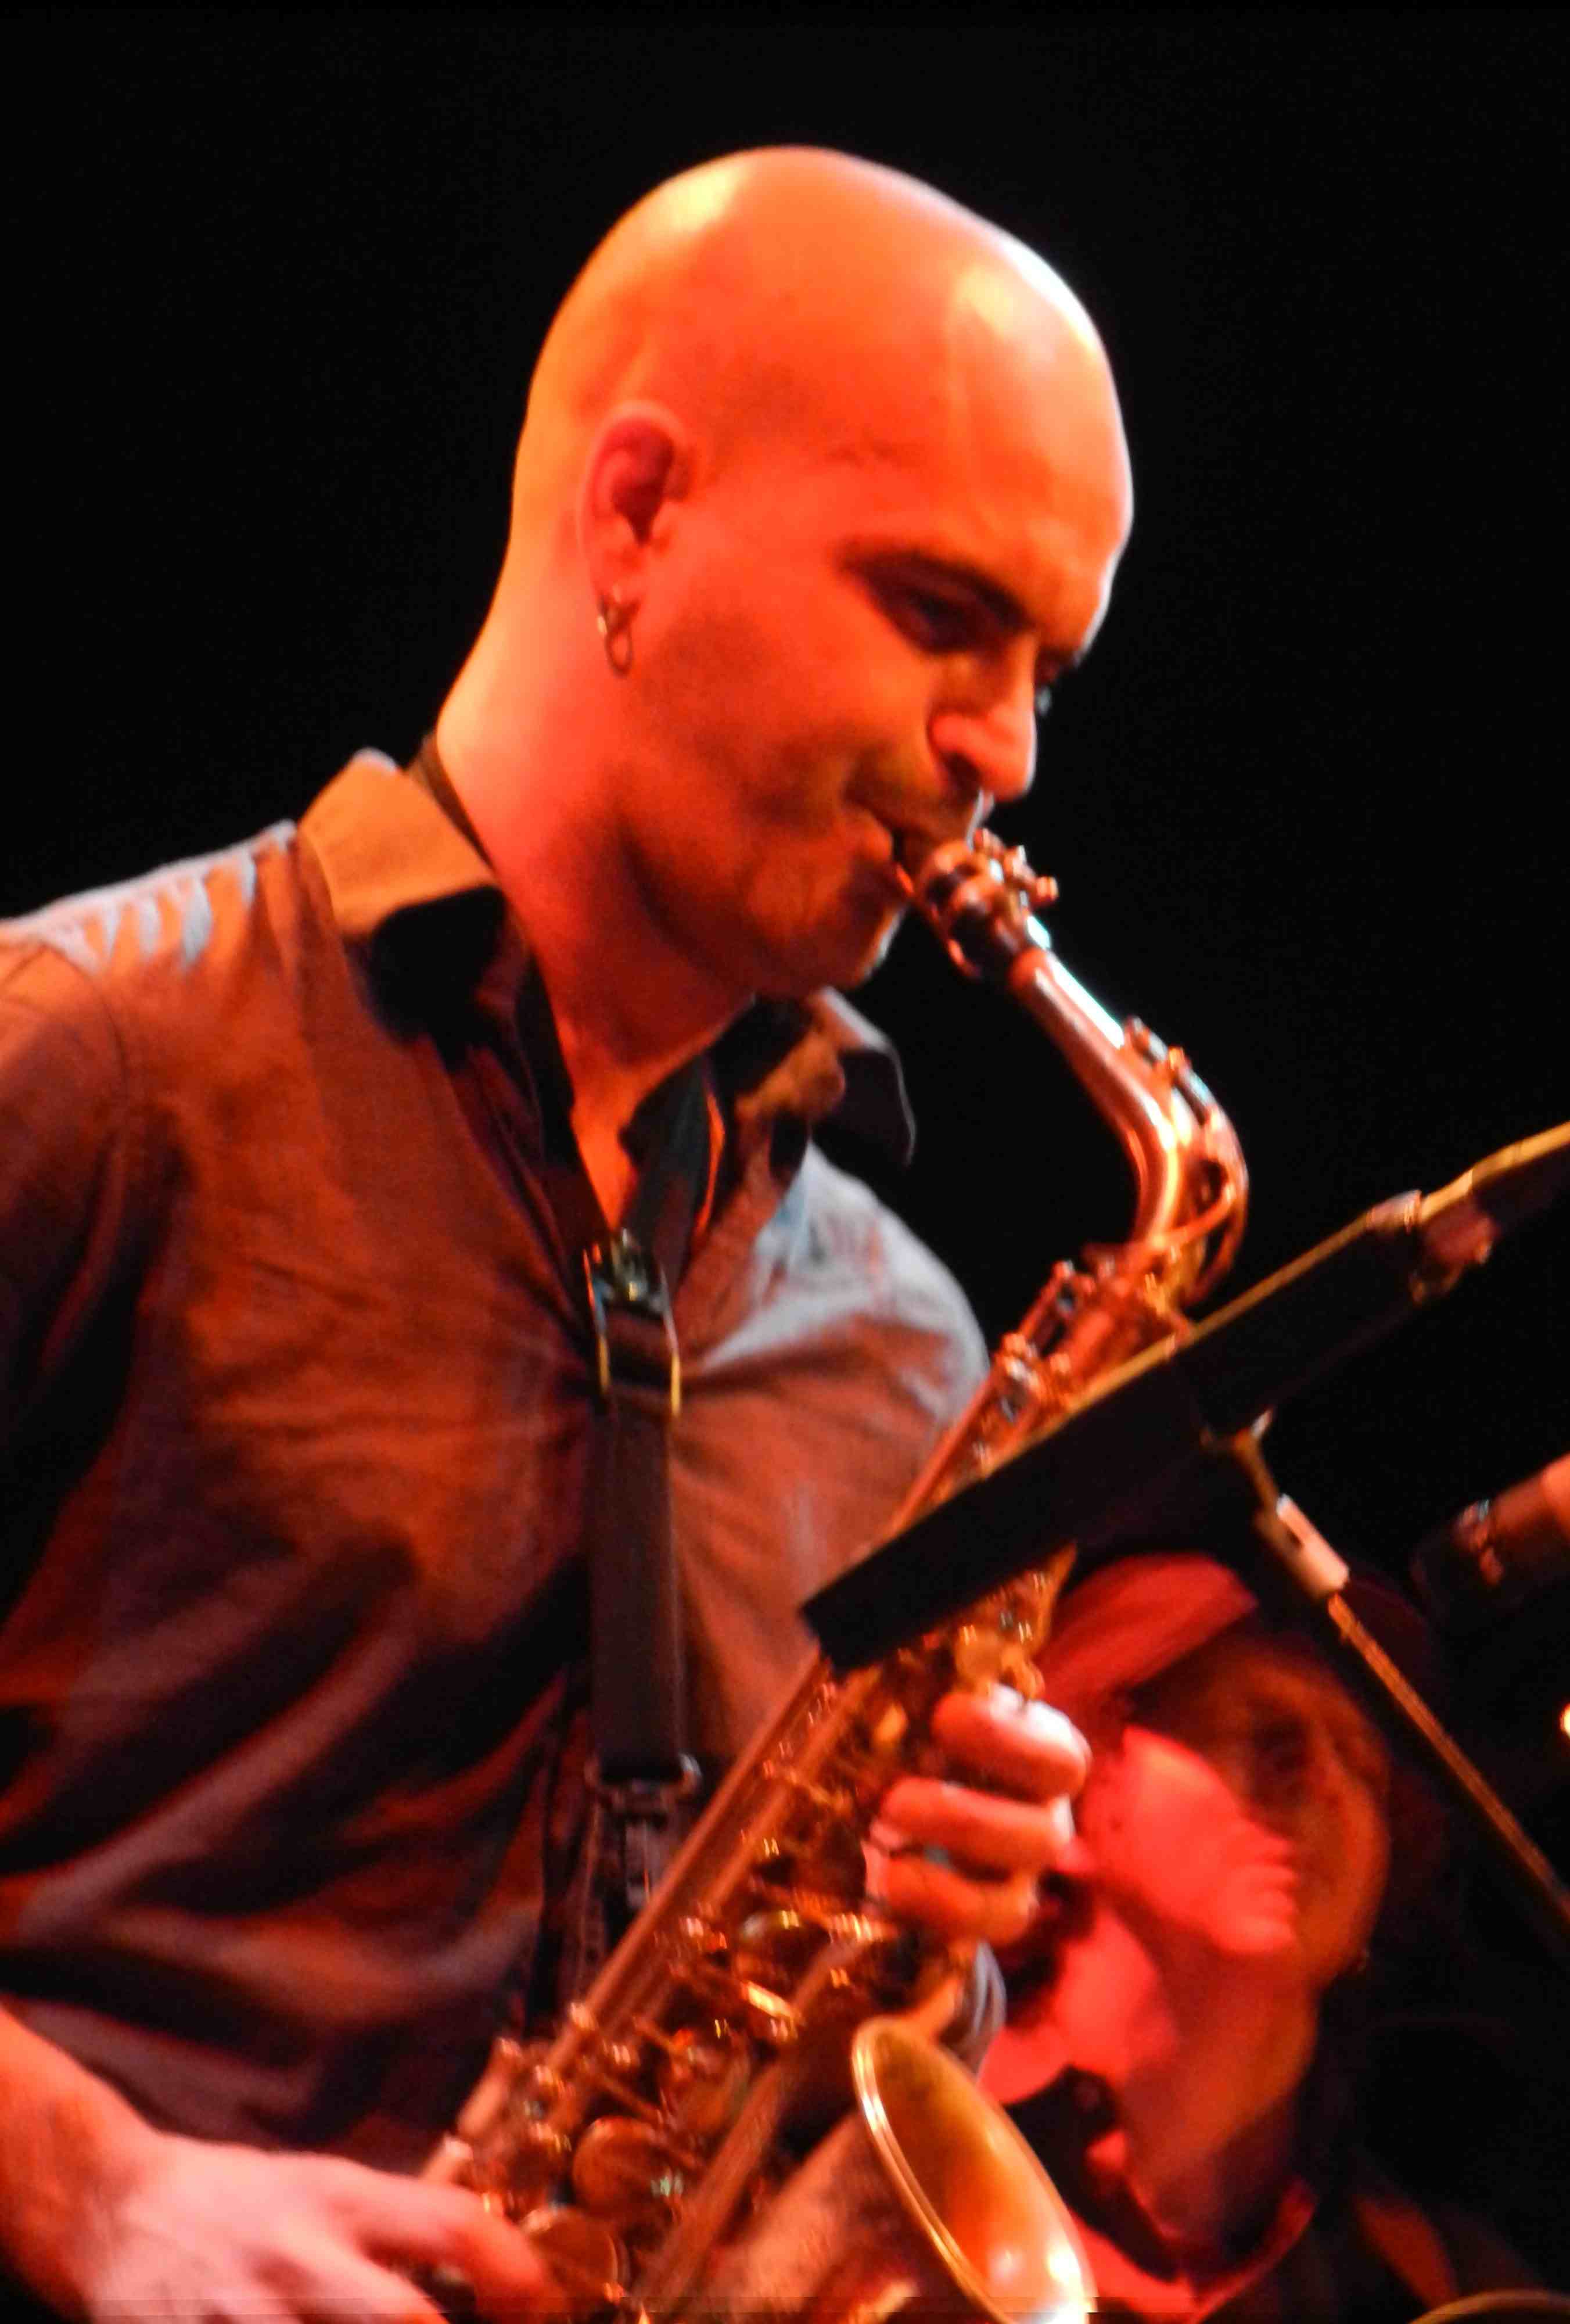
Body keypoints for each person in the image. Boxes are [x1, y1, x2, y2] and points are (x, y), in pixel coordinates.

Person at [0, 148, 1129, 2322]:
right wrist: (92, 2192)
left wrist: (922, 1954)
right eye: (938, 613)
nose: (1000, 743)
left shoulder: (911, 1349)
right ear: (637, 514)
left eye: (1045, 673)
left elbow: (800, 2120)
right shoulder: (96, 1061)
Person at [983, 1550, 1540, 2323]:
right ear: (1081, 1784)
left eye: (1364, 1763)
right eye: (1263, 1732)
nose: (1327, 1787)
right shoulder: (879, 2104)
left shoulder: (1447, 2288)